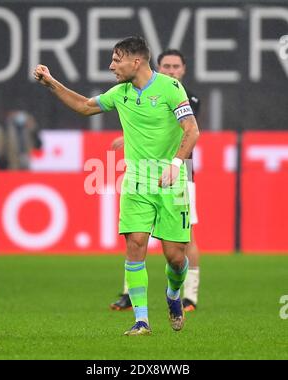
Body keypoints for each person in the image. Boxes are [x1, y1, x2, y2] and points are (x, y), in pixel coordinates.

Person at [34, 36, 199, 336]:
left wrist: (176, 166)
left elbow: (192, 130)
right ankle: (141, 321)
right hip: (136, 181)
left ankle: (174, 294)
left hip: (171, 182)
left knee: (176, 258)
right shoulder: (119, 93)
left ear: (136, 61)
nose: (111, 66)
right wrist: (52, 83)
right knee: (135, 244)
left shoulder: (170, 88)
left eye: (116, 59)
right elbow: (85, 106)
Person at [110, 49, 201, 313]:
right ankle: (131, 294)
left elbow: (180, 129)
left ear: (183, 69)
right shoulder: (141, 92)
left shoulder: (186, 96)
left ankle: (190, 295)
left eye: (176, 66)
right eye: (167, 66)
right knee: (136, 239)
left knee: (184, 242)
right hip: (146, 173)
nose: (172, 71)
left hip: (183, 171)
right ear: (157, 67)